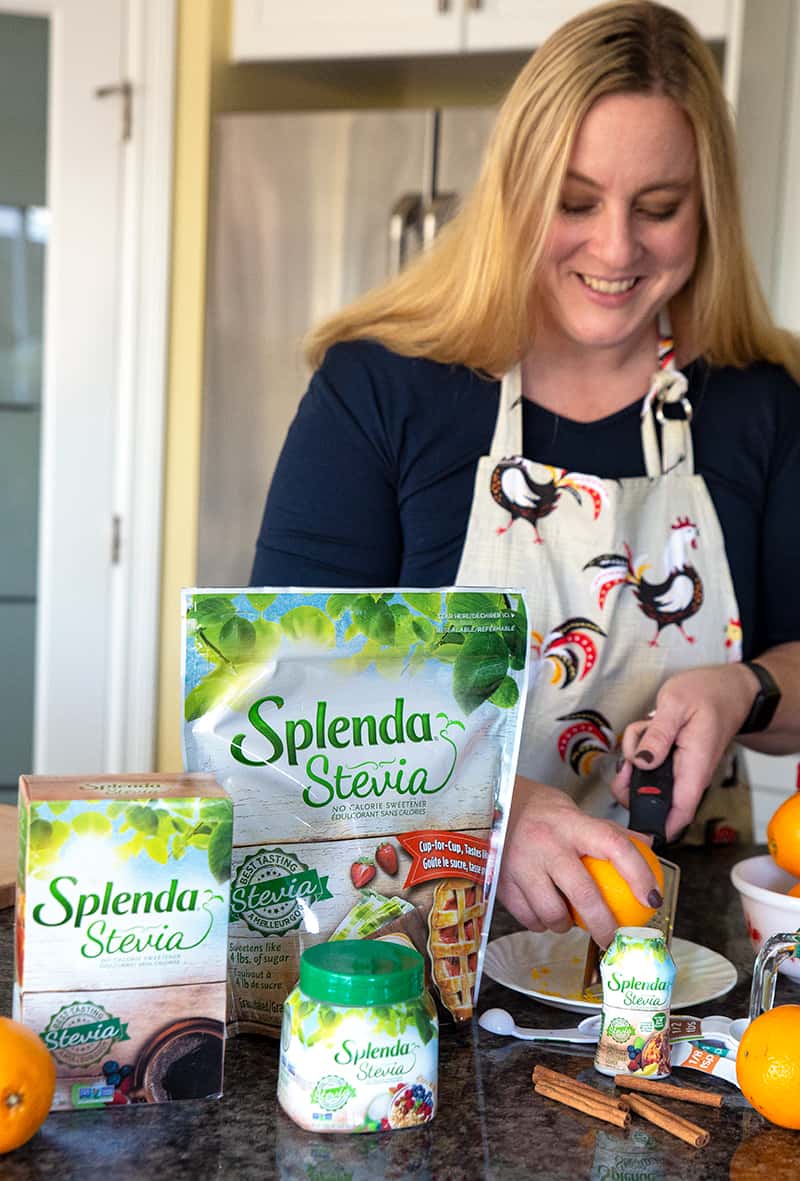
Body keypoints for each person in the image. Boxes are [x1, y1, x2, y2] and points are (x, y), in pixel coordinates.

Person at [250, 0, 800, 948]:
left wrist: (744, 687)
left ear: (707, 208)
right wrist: (491, 803)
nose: (617, 248)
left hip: (675, 959)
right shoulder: (384, 387)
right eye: (575, 202)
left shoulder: (760, 402)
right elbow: (276, 688)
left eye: (659, 207)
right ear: (515, 191)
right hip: (412, 950)